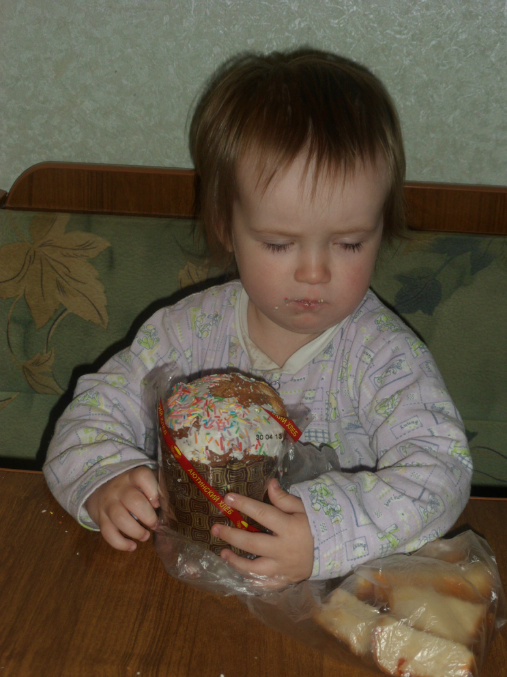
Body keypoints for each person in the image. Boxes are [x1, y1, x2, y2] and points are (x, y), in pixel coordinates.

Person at [43, 48, 472, 586]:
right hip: (180, 585)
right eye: (277, 243)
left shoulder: (384, 356)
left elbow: (442, 471)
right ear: (227, 226)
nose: (314, 272)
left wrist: (325, 534)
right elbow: (90, 415)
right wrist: (106, 477)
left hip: (337, 596)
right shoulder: (185, 334)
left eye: (349, 243)